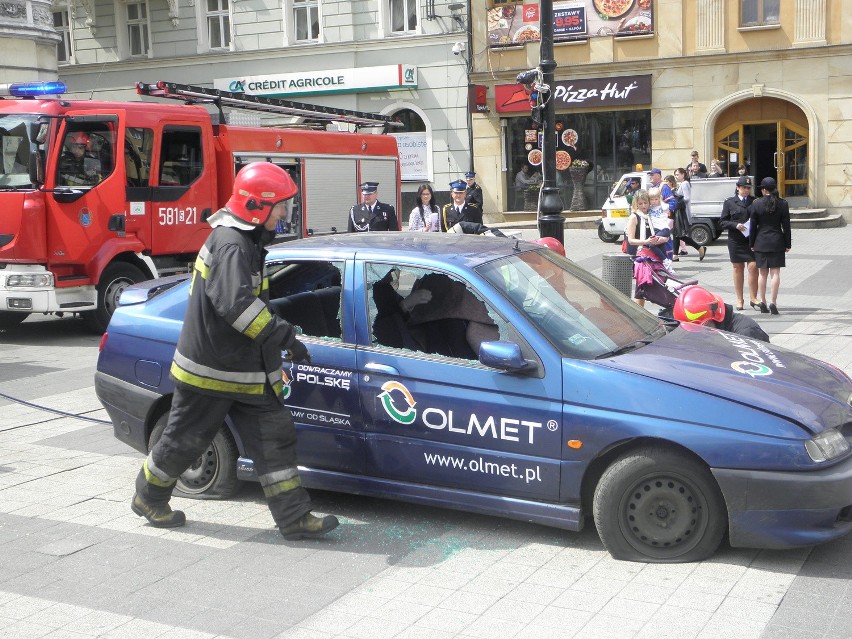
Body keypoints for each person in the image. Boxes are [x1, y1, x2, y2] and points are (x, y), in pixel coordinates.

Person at [132, 162, 339, 541]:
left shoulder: (246, 241)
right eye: (278, 206)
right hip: (210, 371)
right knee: (184, 441)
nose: (283, 213)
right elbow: (236, 306)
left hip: (244, 370)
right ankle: (148, 496)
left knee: (275, 438)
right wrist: (284, 337)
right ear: (256, 207)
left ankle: (294, 518)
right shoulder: (232, 244)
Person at [749, 177, 791, 315]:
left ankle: (763, 301)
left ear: (764, 190)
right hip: (777, 241)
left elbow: (753, 227)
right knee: (775, 273)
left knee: (762, 273)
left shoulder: (756, 204)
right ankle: (773, 302)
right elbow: (786, 226)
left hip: (761, 241)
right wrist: (787, 243)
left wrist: (752, 243)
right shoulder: (783, 204)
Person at [674, 285, 769, 342]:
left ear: (713, 318)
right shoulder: (717, 329)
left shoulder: (746, 334)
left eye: (700, 329)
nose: (698, 336)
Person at [719, 175, 758, 310]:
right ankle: (739, 299)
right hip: (736, 240)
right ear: (737, 188)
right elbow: (722, 222)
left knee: (753, 267)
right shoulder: (730, 202)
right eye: (743, 188)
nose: (746, 190)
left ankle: (753, 297)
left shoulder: (754, 201)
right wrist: (735, 225)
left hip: (751, 240)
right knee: (738, 268)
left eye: (748, 188)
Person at [624, 189, 666, 307]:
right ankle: (638, 314)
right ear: (636, 204)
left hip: (654, 254)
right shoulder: (634, 217)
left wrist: (661, 239)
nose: (643, 206)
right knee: (642, 286)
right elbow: (631, 240)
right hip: (640, 256)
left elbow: (663, 232)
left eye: (645, 203)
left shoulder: (651, 215)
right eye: (640, 203)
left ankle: (640, 313)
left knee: (650, 286)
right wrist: (646, 241)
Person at [673, 167, 707, 260]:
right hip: (679, 213)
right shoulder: (682, 184)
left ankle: (700, 248)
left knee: (679, 234)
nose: (676, 176)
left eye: (678, 174)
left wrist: (676, 199)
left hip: (683, 213)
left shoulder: (684, 183)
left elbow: (687, 198)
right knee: (676, 233)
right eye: (675, 175)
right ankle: (675, 255)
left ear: (683, 175)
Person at [647, 186, 673, 264]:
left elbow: (667, 207)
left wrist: (661, 200)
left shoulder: (662, 206)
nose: (654, 201)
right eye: (652, 199)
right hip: (655, 230)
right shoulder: (649, 208)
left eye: (656, 199)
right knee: (661, 246)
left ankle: (665, 260)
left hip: (664, 229)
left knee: (652, 245)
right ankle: (667, 266)